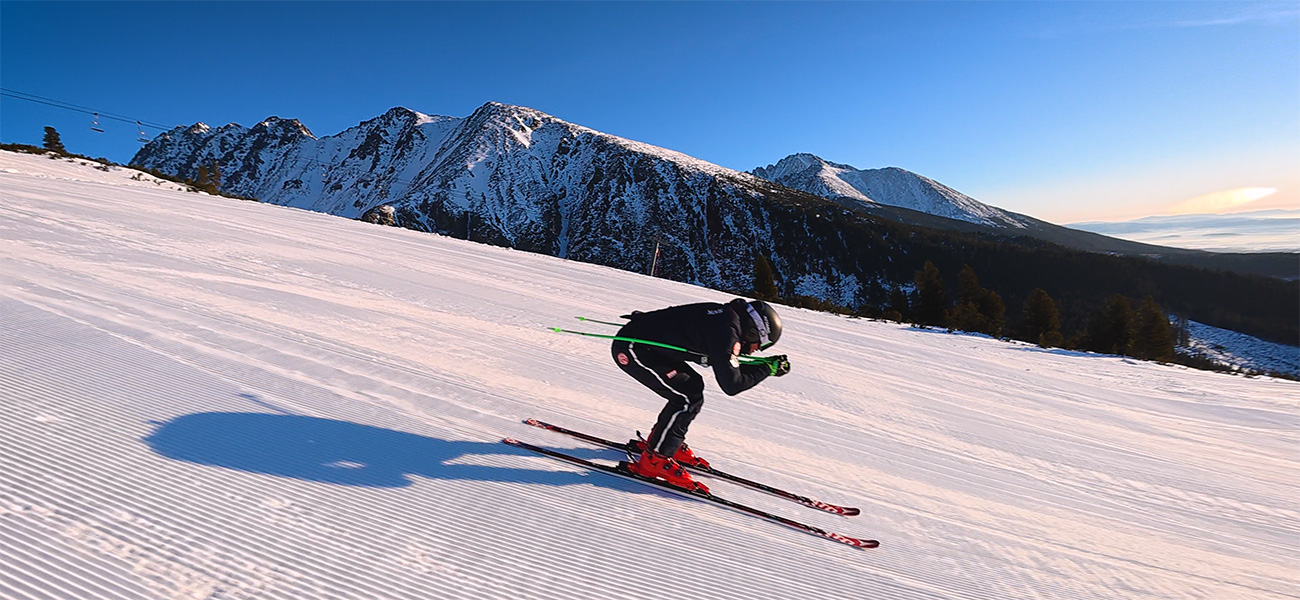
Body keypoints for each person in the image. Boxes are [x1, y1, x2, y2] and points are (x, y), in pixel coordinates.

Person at [611, 298, 790, 492]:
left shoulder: (727, 318)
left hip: (646, 345)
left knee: (691, 388)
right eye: (759, 344)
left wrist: (764, 367)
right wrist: (766, 369)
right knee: (686, 398)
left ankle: (667, 441)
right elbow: (732, 384)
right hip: (633, 348)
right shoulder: (727, 332)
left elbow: (726, 362)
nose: (755, 350)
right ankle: (655, 460)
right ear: (754, 331)